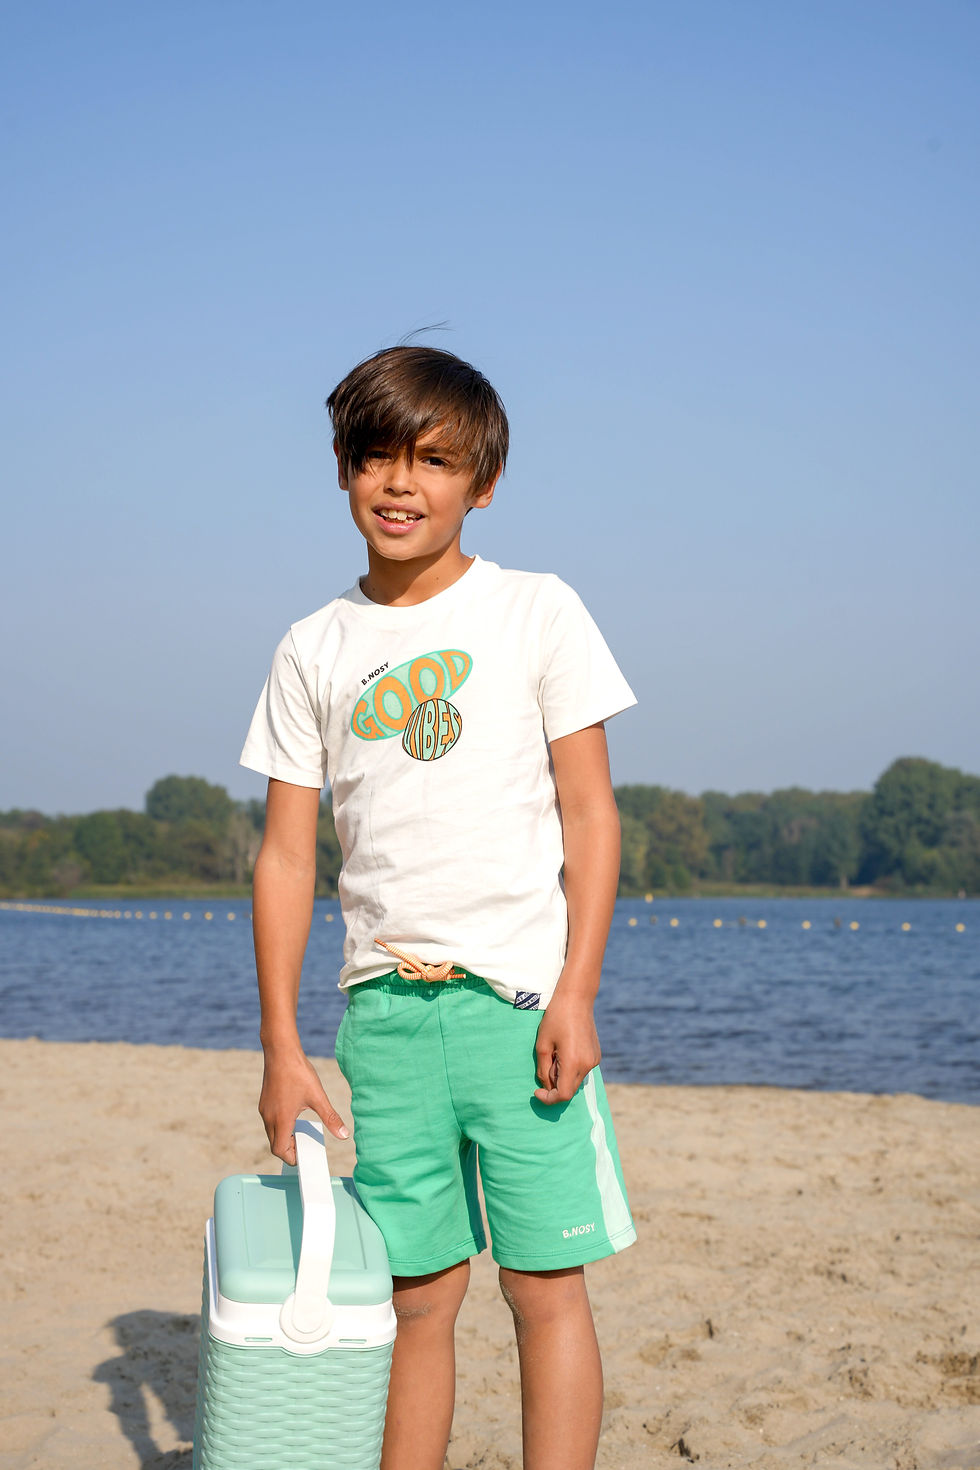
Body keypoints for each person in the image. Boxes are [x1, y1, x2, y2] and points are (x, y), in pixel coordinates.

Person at [240, 344, 637, 1470]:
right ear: (341, 470)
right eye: (376, 457)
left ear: (483, 484)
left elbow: (590, 814)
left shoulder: (536, 611)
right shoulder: (312, 647)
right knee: (415, 1296)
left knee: (543, 1285)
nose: (400, 483)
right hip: (385, 1016)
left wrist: (577, 991)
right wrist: (280, 1045)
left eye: (434, 460)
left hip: (520, 1009)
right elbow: (286, 857)